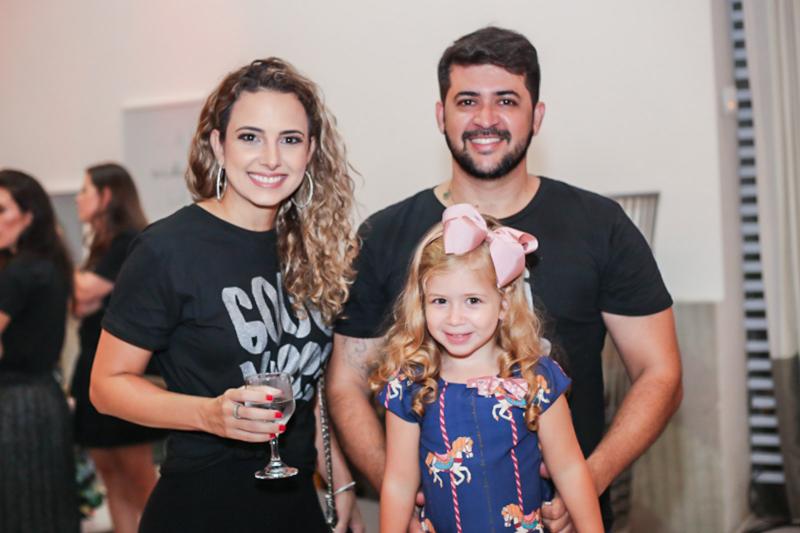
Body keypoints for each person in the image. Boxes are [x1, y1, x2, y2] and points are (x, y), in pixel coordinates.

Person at [327, 26, 682, 532]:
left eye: (507, 101)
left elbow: (660, 373)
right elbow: (345, 383)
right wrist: (404, 496)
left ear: (537, 116)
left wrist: (588, 479)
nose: (486, 118)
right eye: (467, 100)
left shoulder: (599, 225)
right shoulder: (385, 236)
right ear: (441, 114)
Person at [90, 58, 364, 533]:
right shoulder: (168, 249)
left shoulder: (313, 249)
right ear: (218, 145)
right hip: (203, 506)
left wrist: (342, 489)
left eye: (290, 140)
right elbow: (106, 387)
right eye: (250, 137)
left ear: (311, 150)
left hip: (296, 504)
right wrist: (209, 414)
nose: (272, 158)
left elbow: (307, 391)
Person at [375, 204, 603, 533]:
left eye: (473, 301)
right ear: (421, 304)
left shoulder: (536, 378)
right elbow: (398, 483)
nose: (455, 318)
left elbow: (569, 469)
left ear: (503, 304)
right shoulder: (409, 386)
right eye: (440, 301)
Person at [71, 162, 163, 533]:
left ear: (107, 195)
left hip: (123, 370)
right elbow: (80, 302)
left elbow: (82, 293)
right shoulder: (101, 247)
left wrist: (77, 284)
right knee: (109, 474)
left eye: (85, 191)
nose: (78, 199)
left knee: (138, 476)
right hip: (91, 368)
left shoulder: (129, 241)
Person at [0, 169, 79, 533]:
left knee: (21, 511)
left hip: (16, 407)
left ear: (28, 215)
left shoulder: (19, 273)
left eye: (2, 210)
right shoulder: (48, 265)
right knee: (45, 510)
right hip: (43, 399)